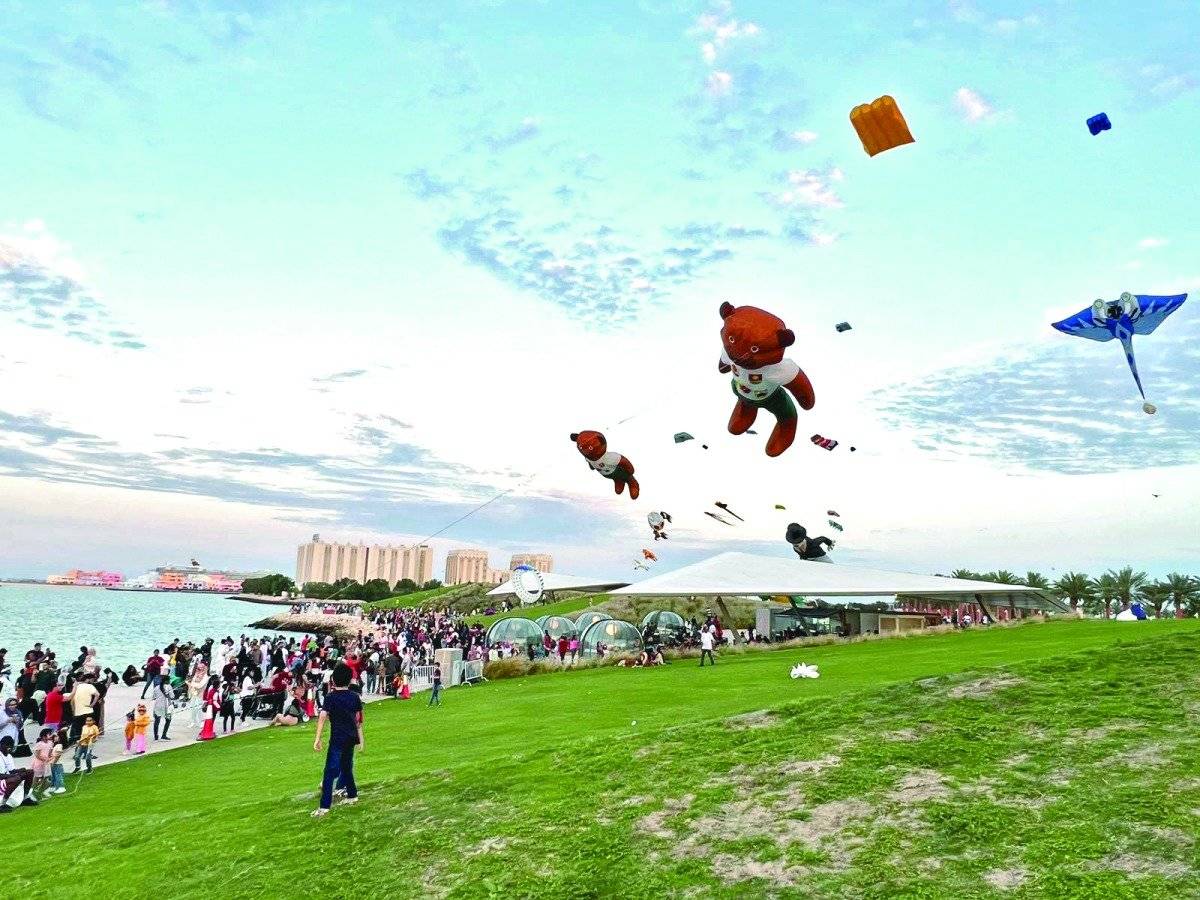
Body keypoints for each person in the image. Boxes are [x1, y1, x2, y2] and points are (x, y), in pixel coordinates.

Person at [312, 663, 363, 818]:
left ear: (333, 680)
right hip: (351, 737)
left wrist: (318, 738)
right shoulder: (354, 697)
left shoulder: (330, 698)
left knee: (330, 772)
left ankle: (324, 806)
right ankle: (352, 795)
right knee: (346, 767)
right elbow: (357, 719)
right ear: (349, 681)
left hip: (338, 738)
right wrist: (360, 738)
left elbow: (322, 718)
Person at [0, 736, 36, 811]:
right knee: (16, 778)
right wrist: (15, 775)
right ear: (2, 745)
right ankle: (2, 804)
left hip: (6, 779)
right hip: (1, 781)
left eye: (11, 747)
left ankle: (25, 798)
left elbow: (11, 770)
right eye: (8, 747)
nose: (10, 749)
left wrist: (20, 771)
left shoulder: (9, 756)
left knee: (30, 772)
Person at [66, 676, 99, 742]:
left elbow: (71, 699)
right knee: (89, 728)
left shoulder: (75, 687)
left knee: (78, 730)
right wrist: (92, 704)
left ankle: (79, 743)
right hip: (88, 710)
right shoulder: (90, 686)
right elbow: (97, 694)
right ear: (86, 680)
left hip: (78, 712)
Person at [32, 728, 54, 799]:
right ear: (44, 736)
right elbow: (37, 755)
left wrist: (51, 757)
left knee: (46, 778)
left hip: (46, 764)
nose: (51, 735)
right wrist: (45, 759)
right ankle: (31, 791)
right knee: (37, 778)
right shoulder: (39, 744)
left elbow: (50, 753)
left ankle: (40, 792)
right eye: (49, 734)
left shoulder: (51, 743)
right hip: (39, 764)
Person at [152, 677, 174, 741]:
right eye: (169, 680)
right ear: (166, 681)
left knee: (156, 721)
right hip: (167, 706)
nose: (170, 681)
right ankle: (164, 735)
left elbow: (153, 697)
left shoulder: (156, 687)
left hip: (157, 705)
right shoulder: (169, 687)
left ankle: (156, 736)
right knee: (168, 720)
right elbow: (172, 696)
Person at [47, 730, 67, 795]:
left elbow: (58, 756)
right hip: (53, 763)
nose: (55, 737)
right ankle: (54, 786)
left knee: (58, 775)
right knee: (54, 775)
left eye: (57, 736)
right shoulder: (55, 745)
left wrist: (54, 763)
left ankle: (61, 787)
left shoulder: (59, 745)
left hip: (57, 763)